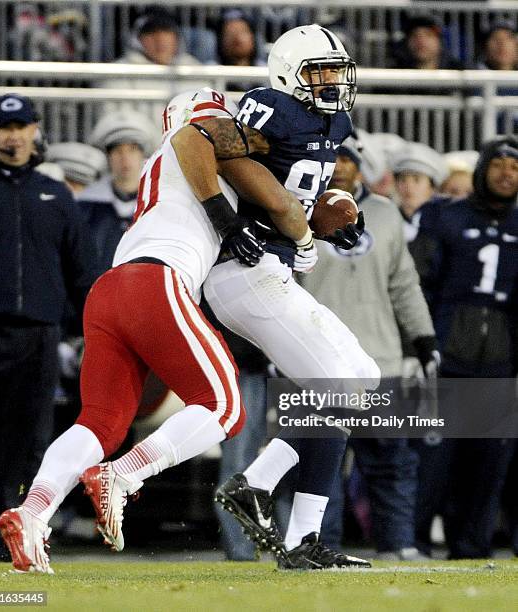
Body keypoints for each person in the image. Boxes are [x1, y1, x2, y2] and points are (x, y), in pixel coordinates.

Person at [0, 87, 313, 574]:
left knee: (98, 423)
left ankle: (33, 511)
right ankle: (122, 476)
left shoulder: (163, 166)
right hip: (158, 282)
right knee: (225, 409)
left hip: (112, 290)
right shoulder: (201, 143)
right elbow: (246, 175)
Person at [195, 25, 378, 570]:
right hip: (244, 269)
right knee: (341, 385)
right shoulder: (269, 107)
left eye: (335, 72)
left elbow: (301, 184)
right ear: (286, 74)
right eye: (316, 71)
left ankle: (274, 505)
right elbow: (218, 154)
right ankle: (272, 506)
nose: (328, 82)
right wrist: (230, 220)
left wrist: (333, 207)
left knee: (362, 380)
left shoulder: (335, 120)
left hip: (276, 269)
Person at [299, 136, 437, 560]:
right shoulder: (298, 213)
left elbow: (403, 284)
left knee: (390, 461)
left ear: (361, 167)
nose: (339, 165)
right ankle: (324, 546)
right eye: (331, 158)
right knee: (323, 463)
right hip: (318, 360)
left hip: (381, 360)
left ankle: (398, 544)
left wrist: (424, 337)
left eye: (346, 158)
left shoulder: (385, 214)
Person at [0, 94, 98, 562]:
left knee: (27, 442)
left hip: (41, 337)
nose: (13, 136)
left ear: (35, 131)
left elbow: (83, 270)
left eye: (22, 126)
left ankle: (3, 536)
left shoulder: (55, 194)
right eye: (5, 127)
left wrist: (93, 330)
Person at [410, 137, 518, 558]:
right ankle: (413, 546)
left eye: (514, 166)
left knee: (487, 467)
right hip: (446, 360)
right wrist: (422, 343)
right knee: (434, 465)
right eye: (499, 164)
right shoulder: (444, 217)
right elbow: (417, 282)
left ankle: (472, 550)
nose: (507, 173)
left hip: (500, 365)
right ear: (481, 170)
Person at [99, 7, 206, 128]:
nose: (160, 39)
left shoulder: (196, 70)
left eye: (166, 31)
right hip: (140, 144)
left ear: (177, 37)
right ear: (137, 39)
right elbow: (115, 125)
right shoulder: (118, 73)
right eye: (150, 32)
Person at [80, 111, 157, 276]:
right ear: (108, 156)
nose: (125, 158)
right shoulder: (86, 205)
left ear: (143, 154)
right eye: (117, 151)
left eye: (132, 149)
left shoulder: (158, 204)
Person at [391, 142, 448, 243]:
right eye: (403, 179)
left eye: (416, 179)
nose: (409, 186)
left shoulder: (445, 222)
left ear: (432, 187)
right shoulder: (389, 219)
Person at [215, 9, 266, 92]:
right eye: (230, 33)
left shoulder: (266, 71)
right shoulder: (212, 71)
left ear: (252, 37)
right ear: (221, 40)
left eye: (242, 32)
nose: (237, 39)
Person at [392, 13, 464, 71]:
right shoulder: (395, 74)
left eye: (428, 35)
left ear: (440, 41)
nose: (420, 41)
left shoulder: (457, 72)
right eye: (414, 35)